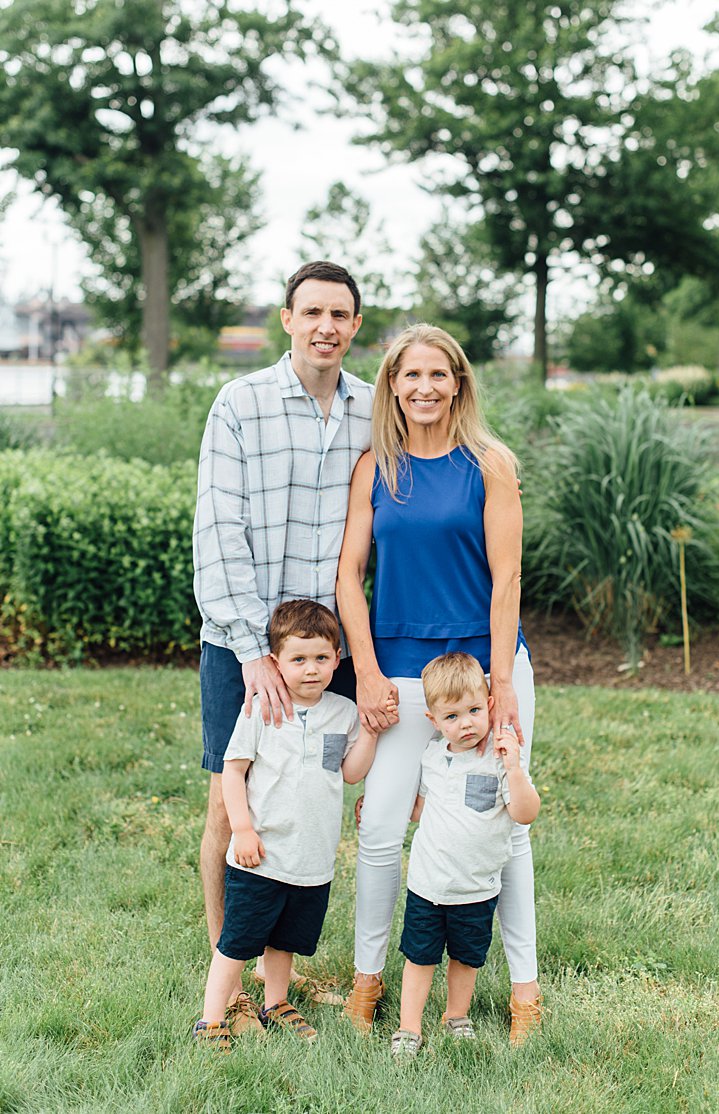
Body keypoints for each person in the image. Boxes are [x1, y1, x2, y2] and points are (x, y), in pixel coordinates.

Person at [335, 323, 542, 1044]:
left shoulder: (489, 464)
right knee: (384, 829)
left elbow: (507, 577)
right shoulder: (374, 470)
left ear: (459, 384)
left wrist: (502, 684)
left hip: (481, 674)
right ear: (392, 384)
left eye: (438, 375)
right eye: (409, 375)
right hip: (396, 675)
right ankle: (367, 984)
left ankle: (525, 994)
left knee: (504, 832)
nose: (424, 388)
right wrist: (363, 670)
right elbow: (348, 578)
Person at [193, 260, 373, 1028]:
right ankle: (226, 979)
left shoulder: (373, 410)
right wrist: (249, 648)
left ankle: (279, 975)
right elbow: (218, 529)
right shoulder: (241, 403)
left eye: (341, 314)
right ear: (287, 319)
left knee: (310, 798)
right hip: (250, 645)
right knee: (232, 807)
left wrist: (361, 656)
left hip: (331, 648)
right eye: (313, 313)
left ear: (356, 325)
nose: (326, 326)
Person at [193, 600, 379, 1051]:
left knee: (286, 940)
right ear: (276, 662)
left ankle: (275, 1003)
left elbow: (351, 772)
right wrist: (242, 830)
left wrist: (371, 731)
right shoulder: (261, 708)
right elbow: (234, 771)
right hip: (261, 855)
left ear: (338, 659)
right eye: (298, 659)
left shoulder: (343, 712)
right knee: (237, 942)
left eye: (321, 658)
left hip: (312, 858)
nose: (311, 670)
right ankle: (212, 1018)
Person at [388, 653, 542, 1059]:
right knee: (420, 959)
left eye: (474, 710)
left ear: (489, 704)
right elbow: (419, 809)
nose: (466, 723)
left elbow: (525, 813)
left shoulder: (500, 760)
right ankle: (409, 1027)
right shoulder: (432, 757)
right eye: (452, 716)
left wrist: (514, 770)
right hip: (428, 884)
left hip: (477, 888)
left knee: (466, 959)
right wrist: (382, 806)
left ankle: (456, 1016)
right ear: (433, 720)